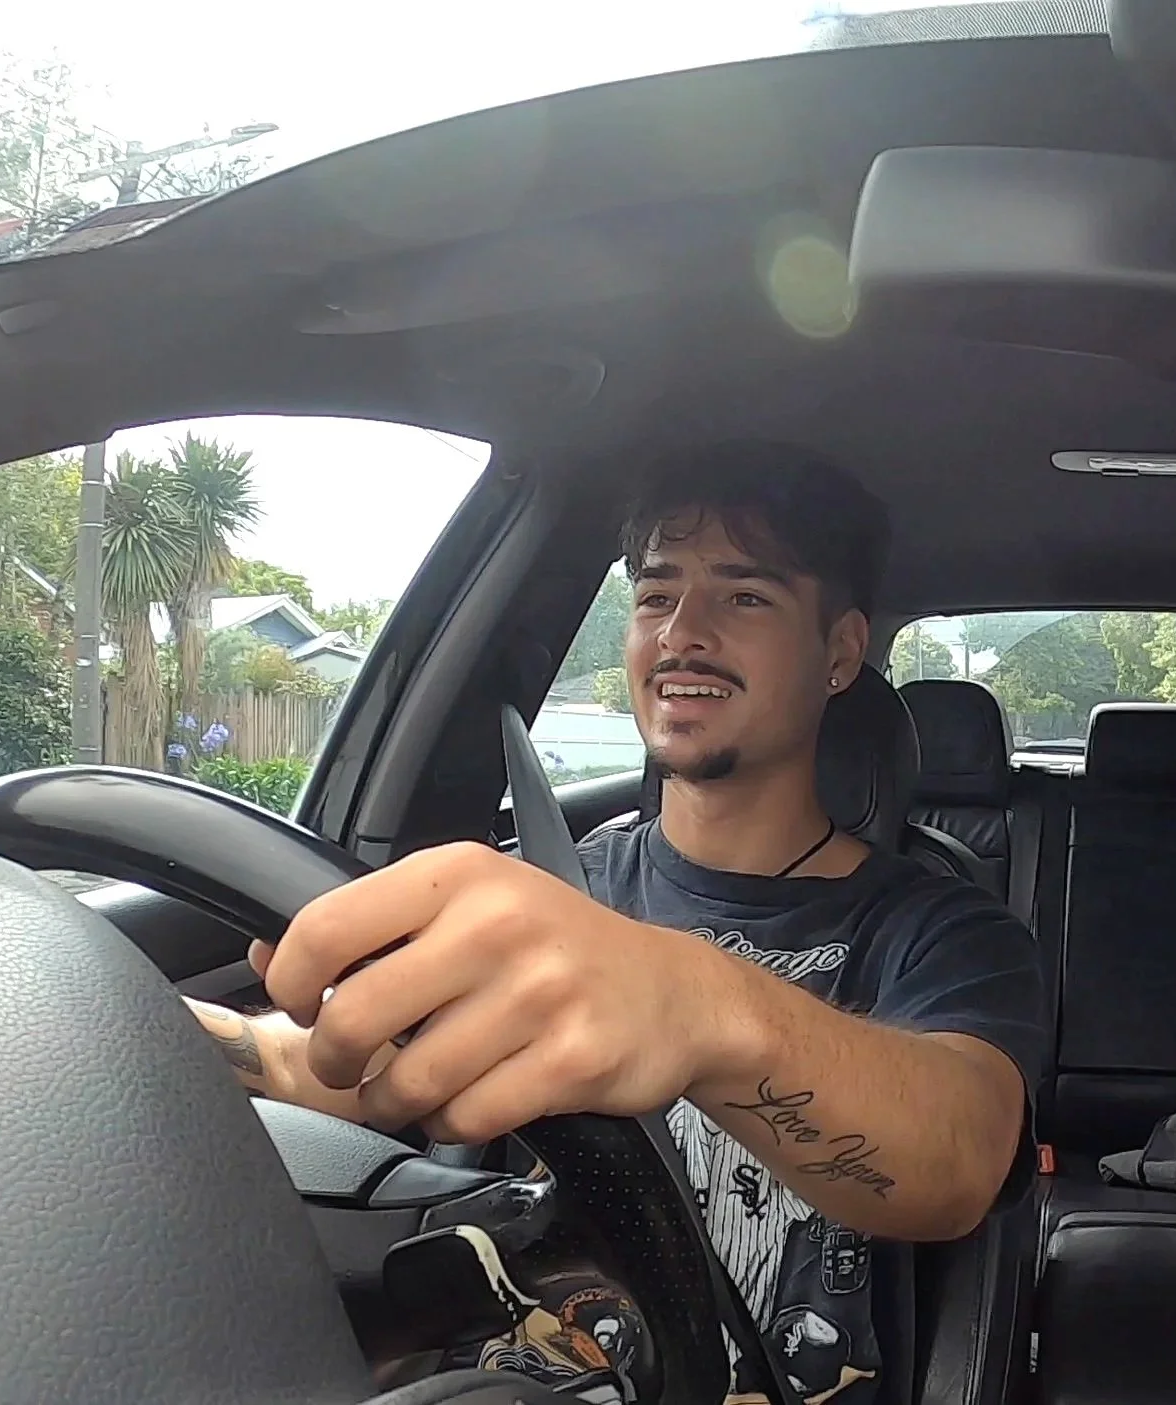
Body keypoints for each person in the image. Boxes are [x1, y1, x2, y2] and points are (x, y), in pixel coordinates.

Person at [184, 443, 1044, 1405]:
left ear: (840, 651)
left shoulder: (943, 929)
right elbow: (333, 1055)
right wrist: (150, 1028)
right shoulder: (551, 892)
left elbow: (960, 1156)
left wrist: (699, 1005)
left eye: (744, 597)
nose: (682, 632)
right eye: (654, 594)